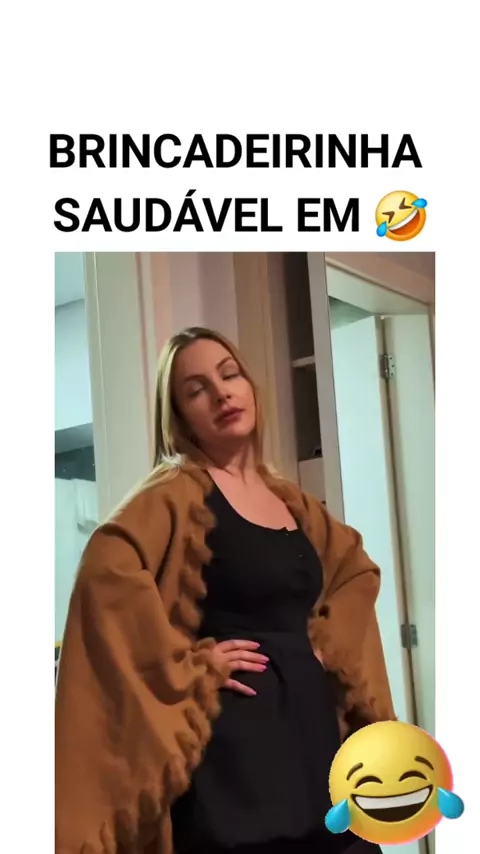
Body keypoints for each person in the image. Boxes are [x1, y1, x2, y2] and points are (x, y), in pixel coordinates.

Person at [55, 327, 395, 854]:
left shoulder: (292, 501)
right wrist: (191, 667)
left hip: (317, 748)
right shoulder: (171, 495)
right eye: (196, 390)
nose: (221, 394)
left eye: (229, 374)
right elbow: (105, 583)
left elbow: (357, 571)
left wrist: (329, 641)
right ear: (179, 417)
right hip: (235, 770)